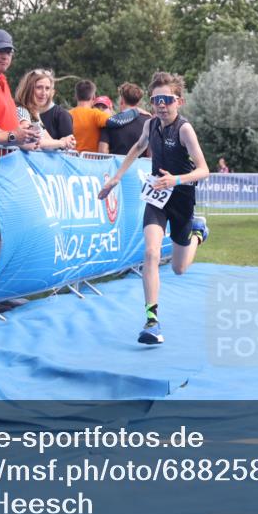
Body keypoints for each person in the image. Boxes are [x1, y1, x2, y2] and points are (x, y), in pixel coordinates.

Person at [97, 72, 210, 346]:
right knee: (150, 252)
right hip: (157, 198)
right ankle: (152, 320)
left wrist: (177, 179)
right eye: (156, 99)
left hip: (182, 200)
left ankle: (197, 233)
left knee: (180, 268)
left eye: (167, 100)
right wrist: (115, 178)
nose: (161, 105)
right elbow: (137, 149)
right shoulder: (150, 126)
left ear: (178, 101)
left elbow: (204, 170)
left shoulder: (184, 129)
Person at [14, 69, 77, 150]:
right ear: (28, 89)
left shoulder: (35, 113)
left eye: (47, 88)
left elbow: (49, 141)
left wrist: (67, 141)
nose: (44, 93)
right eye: (39, 87)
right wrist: (62, 142)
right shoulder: (22, 110)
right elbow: (34, 141)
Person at [99, 83, 151, 156]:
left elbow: (102, 151)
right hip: (141, 167)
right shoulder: (149, 121)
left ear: (122, 100)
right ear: (139, 103)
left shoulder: (110, 121)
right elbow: (151, 153)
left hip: (116, 166)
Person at [70, 80, 112, 153]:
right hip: (91, 161)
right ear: (93, 97)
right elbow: (117, 122)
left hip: (71, 160)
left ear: (76, 96)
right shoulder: (97, 115)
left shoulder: (67, 115)